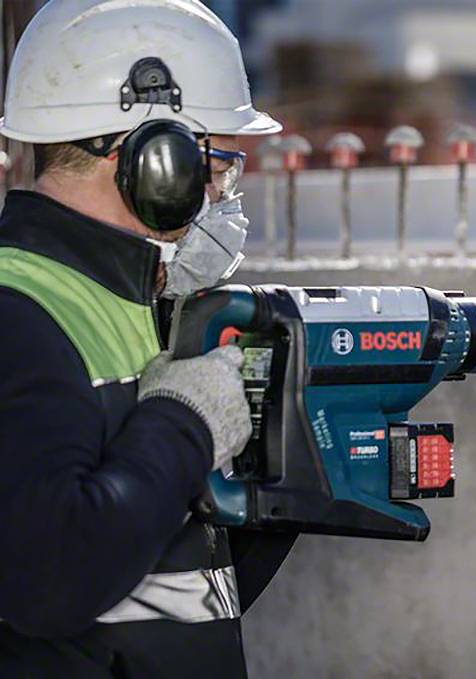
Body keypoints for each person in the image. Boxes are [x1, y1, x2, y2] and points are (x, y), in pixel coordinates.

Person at [0, 1, 295, 676]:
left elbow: (166, 587)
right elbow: (50, 582)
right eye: (215, 165)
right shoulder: (18, 315)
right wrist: (186, 422)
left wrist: (284, 487)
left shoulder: (133, 301)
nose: (223, 194)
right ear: (157, 160)